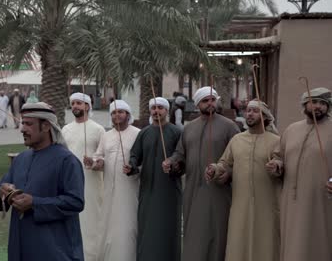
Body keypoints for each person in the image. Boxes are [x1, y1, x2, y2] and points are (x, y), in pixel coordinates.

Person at [0, 102, 85, 261]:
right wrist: (3, 192)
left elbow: (76, 202)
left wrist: (35, 203)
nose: (22, 129)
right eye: (22, 123)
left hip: (54, 249)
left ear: (46, 126)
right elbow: (0, 193)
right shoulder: (20, 159)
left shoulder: (67, 160)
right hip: (19, 246)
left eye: (28, 124)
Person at [163, 86, 240, 261]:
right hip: (192, 190)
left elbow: (239, 158)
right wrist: (172, 163)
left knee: (217, 234)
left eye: (213, 100)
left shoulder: (230, 127)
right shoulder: (189, 128)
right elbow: (180, 154)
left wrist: (227, 172)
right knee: (194, 234)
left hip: (219, 191)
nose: (210, 104)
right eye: (206, 101)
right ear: (198, 104)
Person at [205, 99, 280, 261]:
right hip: (240, 204)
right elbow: (225, 163)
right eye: (248, 110)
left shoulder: (276, 141)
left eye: (254, 111)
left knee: (266, 243)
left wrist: (277, 166)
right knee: (238, 242)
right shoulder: (237, 140)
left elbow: (282, 163)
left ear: (265, 116)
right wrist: (215, 169)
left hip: (267, 204)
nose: (250, 114)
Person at [267, 87, 332, 261]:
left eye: (322, 103)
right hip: (292, 202)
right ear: (305, 105)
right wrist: (277, 165)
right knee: (292, 246)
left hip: (322, 201)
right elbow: (279, 155)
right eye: (313, 102)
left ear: (328, 107)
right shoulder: (291, 130)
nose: (317, 106)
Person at [124, 97, 183, 261]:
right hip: (148, 189)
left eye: (160, 108)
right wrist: (131, 166)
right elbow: (135, 155)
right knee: (148, 228)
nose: (156, 111)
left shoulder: (176, 132)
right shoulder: (144, 133)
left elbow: (182, 158)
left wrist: (173, 165)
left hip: (169, 190)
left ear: (167, 110)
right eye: (153, 108)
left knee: (168, 228)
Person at [84, 100, 140, 261]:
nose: (117, 115)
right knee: (108, 226)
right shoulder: (107, 136)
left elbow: (143, 160)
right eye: (114, 113)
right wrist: (94, 162)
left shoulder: (137, 133)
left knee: (127, 226)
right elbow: (99, 157)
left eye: (120, 112)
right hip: (109, 190)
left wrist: (134, 168)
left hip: (130, 189)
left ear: (127, 115)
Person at [62, 92, 105, 261]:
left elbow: (103, 157)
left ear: (87, 106)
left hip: (91, 184)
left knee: (90, 222)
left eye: (79, 103)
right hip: (68, 183)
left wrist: (93, 162)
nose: (75, 107)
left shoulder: (98, 129)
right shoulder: (66, 129)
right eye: (73, 103)